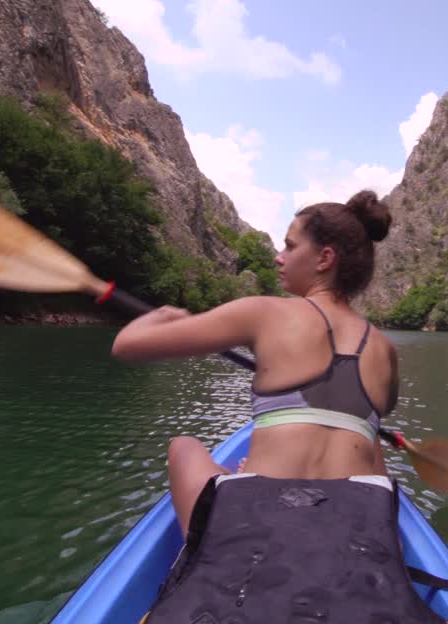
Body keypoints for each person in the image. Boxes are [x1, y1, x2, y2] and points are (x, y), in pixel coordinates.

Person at [111, 190, 400, 534]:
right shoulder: (384, 349)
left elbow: (126, 345)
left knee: (183, 446)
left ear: (324, 259)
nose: (279, 257)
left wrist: (162, 314)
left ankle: (224, 511)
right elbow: (371, 422)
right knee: (366, 435)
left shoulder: (263, 312)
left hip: (258, 528)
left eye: (290, 247)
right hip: (354, 533)